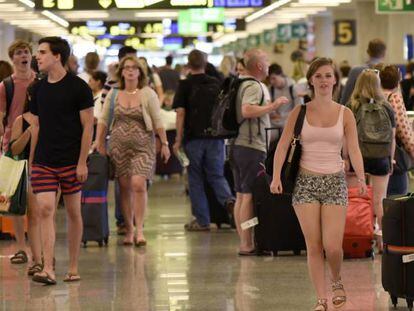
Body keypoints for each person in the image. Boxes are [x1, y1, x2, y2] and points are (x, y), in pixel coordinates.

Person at [270, 57, 367, 311]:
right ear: (311, 80)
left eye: (328, 75)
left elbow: (354, 149)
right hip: (305, 182)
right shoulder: (299, 111)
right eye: (318, 76)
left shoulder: (345, 113)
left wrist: (362, 177)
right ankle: (321, 298)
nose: (324, 80)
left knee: (332, 247)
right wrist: (276, 176)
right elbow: (282, 145)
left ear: (335, 80)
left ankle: (336, 280)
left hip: (335, 181)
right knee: (313, 245)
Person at [29, 36, 94, 285]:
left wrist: (82, 162)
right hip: (44, 161)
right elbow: (36, 126)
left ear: (57, 56)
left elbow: (87, 126)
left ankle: (74, 266)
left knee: (73, 212)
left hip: (71, 161)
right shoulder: (38, 89)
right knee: (45, 209)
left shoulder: (79, 87)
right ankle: (48, 267)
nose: (38, 56)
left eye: (43, 52)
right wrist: (33, 160)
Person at [96, 56, 170, 246]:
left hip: (143, 146)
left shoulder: (148, 93)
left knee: (138, 184)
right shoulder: (113, 93)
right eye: (126, 68)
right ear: (121, 71)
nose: (129, 71)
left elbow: (157, 120)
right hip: (118, 147)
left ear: (140, 72)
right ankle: (128, 229)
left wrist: (165, 143)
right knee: (124, 188)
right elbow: (103, 120)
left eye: (133, 68)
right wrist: (99, 142)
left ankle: (139, 230)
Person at [230, 48, 288, 254]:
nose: (269, 64)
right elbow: (247, 110)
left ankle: (244, 240)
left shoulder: (238, 82)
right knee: (247, 196)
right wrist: (272, 107)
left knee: (240, 195)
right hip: (250, 147)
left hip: (236, 145)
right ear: (260, 66)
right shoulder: (255, 86)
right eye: (267, 60)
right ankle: (246, 243)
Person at [172, 49, 235, 231]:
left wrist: (177, 139)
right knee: (216, 175)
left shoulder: (184, 85)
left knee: (196, 179)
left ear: (188, 64)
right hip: (215, 138)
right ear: (205, 62)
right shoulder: (216, 83)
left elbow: (181, 114)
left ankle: (202, 220)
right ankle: (229, 201)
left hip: (193, 140)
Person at [348, 68, 396, 253]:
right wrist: (390, 160)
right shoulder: (387, 107)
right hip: (381, 158)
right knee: (379, 200)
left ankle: (359, 237)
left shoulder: (352, 105)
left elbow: (347, 137)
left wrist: (345, 157)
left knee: (357, 200)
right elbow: (392, 138)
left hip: (357, 157)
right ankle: (383, 242)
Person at [0, 40, 36, 266]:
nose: (23, 56)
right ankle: (21, 247)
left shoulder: (40, 82)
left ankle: (37, 247)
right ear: (13, 58)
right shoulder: (6, 86)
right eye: (19, 53)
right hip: (13, 145)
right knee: (15, 199)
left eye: (26, 52)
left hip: (37, 140)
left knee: (34, 198)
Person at [99, 46, 137, 236]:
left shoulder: (144, 85)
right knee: (122, 183)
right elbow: (104, 113)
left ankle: (134, 218)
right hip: (117, 140)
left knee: (138, 183)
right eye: (127, 64)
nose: (131, 69)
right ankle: (124, 220)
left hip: (140, 142)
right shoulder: (111, 85)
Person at [9, 89, 42, 276]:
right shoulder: (21, 120)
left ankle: (45, 256)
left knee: (48, 215)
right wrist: (29, 133)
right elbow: (14, 149)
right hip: (30, 172)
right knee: (35, 215)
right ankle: (38, 258)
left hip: (53, 169)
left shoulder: (53, 118)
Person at [378, 65, 414, 195]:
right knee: (399, 197)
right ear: (398, 80)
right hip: (394, 156)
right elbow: (403, 130)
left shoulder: (375, 96)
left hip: (375, 154)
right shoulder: (394, 97)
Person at [341, 38, 386, 105]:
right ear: (384, 53)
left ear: (368, 51)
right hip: (382, 113)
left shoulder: (355, 71)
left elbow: (345, 98)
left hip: (358, 113)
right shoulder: (388, 72)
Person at [268, 63, 303, 135]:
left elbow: (299, 109)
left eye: (274, 78)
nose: (272, 82)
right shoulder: (270, 89)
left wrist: (282, 116)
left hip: (289, 121)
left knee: (287, 134)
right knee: (265, 135)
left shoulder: (294, 87)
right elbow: (269, 106)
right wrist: (272, 113)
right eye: (270, 79)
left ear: (281, 75)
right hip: (275, 123)